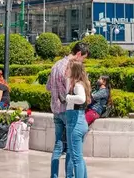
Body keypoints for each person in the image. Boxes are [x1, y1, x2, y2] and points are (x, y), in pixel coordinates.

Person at [49, 42, 91, 178]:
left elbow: (48, 87)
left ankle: (54, 176)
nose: (83, 61)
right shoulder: (70, 67)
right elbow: (73, 93)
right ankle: (70, 176)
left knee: (57, 147)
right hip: (68, 112)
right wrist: (67, 96)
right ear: (78, 54)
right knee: (72, 151)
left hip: (56, 110)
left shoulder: (56, 65)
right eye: (83, 58)